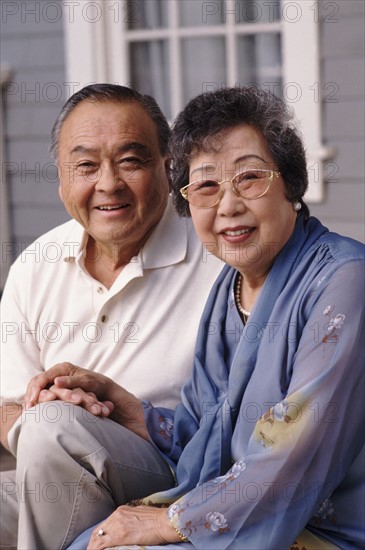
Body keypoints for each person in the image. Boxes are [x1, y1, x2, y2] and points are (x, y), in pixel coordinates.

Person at [9, 85, 365, 549]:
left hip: (311, 529)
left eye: (250, 177)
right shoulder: (232, 288)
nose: (229, 205)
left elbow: (296, 457)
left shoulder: (344, 280)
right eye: (206, 186)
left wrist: (164, 523)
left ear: (292, 184)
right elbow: (200, 435)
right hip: (228, 505)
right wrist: (123, 406)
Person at [0, 84, 223, 549]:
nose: (107, 184)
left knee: (51, 428)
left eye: (130, 161)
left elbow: (244, 421)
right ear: (61, 179)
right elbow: (6, 407)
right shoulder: (36, 263)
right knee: (48, 428)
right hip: (50, 472)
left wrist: (60, 427)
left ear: (168, 166)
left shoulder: (218, 259)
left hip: (169, 473)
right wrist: (58, 415)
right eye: (85, 165)